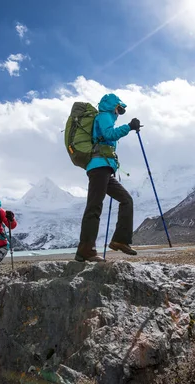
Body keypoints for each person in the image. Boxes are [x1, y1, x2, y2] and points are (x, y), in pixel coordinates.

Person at [76, 93, 142, 262]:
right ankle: (85, 249)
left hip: (104, 168)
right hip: (99, 167)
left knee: (126, 200)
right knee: (94, 207)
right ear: (113, 106)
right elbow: (108, 134)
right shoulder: (104, 116)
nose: (120, 112)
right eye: (119, 109)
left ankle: (120, 240)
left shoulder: (106, 117)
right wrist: (129, 127)